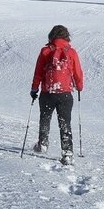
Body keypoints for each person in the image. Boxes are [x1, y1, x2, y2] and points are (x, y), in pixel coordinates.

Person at [30, 24, 84, 165]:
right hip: (65, 94)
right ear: (67, 37)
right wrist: (79, 87)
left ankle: (42, 143)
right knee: (65, 124)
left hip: (48, 93)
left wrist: (34, 89)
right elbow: (78, 72)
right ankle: (67, 154)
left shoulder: (45, 51)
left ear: (52, 36)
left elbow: (38, 72)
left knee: (45, 118)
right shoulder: (71, 52)